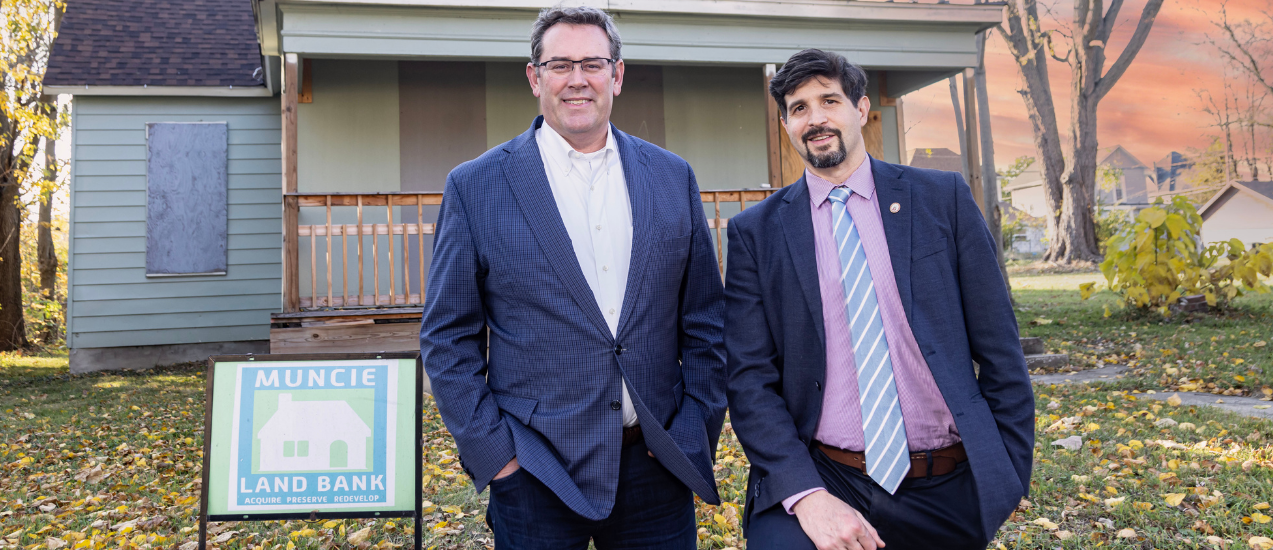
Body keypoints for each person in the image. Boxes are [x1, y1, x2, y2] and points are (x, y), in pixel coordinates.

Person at [420, 6, 726, 548]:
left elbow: (705, 321)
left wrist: (692, 428)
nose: (578, 79)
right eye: (560, 65)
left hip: (655, 464)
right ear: (535, 77)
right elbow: (448, 339)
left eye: (592, 63)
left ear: (618, 75)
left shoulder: (671, 176)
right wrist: (499, 459)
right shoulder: (476, 185)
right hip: (537, 471)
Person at [723, 48, 1034, 550]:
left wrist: (1009, 471)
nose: (816, 118)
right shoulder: (756, 233)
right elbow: (749, 380)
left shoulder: (942, 200)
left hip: (946, 481)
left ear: (861, 109)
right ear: (786, 124)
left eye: (829, 100)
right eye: (798, 108)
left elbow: (1000, 347)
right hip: (826, 475)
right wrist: (805, 494)